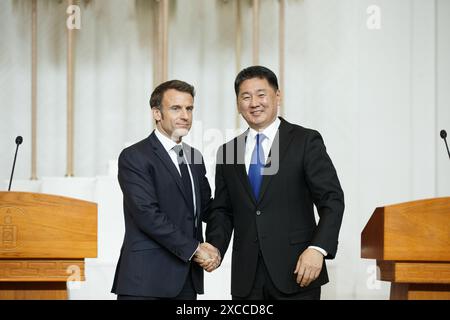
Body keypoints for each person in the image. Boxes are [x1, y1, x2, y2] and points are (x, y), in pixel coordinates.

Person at [202, 66, 344, 300]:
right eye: (245, 97)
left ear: (277, 96)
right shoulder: (228, 152)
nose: (254, 103)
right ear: (238, 104)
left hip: (297, 271)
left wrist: (318, 249)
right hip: (246, 279)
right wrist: (214, 247)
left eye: (261, 94)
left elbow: (332, 200)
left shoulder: (305, 141)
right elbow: (223, 210)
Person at [111, 80, 220, 300]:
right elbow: (147, 215)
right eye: (175, 108)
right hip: (145, 282)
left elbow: (207, 208)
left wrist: (217, 244)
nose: (185, 115)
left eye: (189, 108)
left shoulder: (194, 157)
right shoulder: (135, 156)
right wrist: (196, 250)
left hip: (187, 282)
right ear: (157, 113)